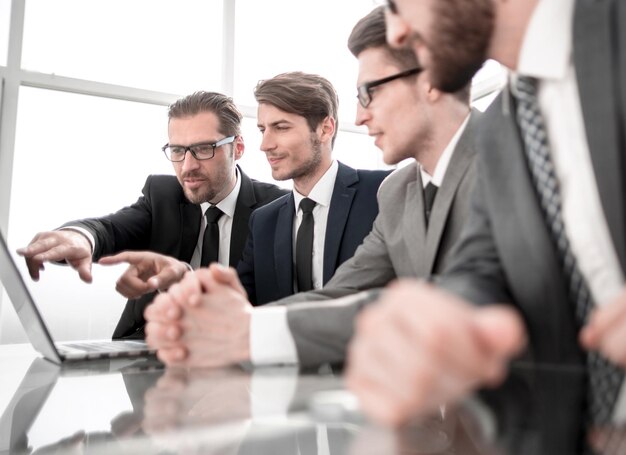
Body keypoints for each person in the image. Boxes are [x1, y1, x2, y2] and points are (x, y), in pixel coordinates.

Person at [142, 6, 480, 368]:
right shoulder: (399, 191)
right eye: (262, 130)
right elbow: (340, 293)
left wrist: (246, 330)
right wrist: (220, 319)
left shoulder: (504, 159)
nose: (360, 116)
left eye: (369, 92)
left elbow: (452, 298)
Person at [346, 0, 626, 427]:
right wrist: (454, 318)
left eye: (398, 5)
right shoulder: (503, 123)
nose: (398, 32)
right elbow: (481, 267)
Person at [17, 91, 287, 339]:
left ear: (237, 148)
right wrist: (82, 238)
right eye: (178, 151)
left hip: (237, 358)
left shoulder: (277, 209)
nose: (187, 166)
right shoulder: (163, 196)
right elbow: (111, 228)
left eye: (204, 149)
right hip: (150, 356)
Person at [236, 72, 389, 306]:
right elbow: (240, 304)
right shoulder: (263, 221)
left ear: (325, 129)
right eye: (262, 129)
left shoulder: (381, 193)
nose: (265, 145)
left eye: (281, 127)